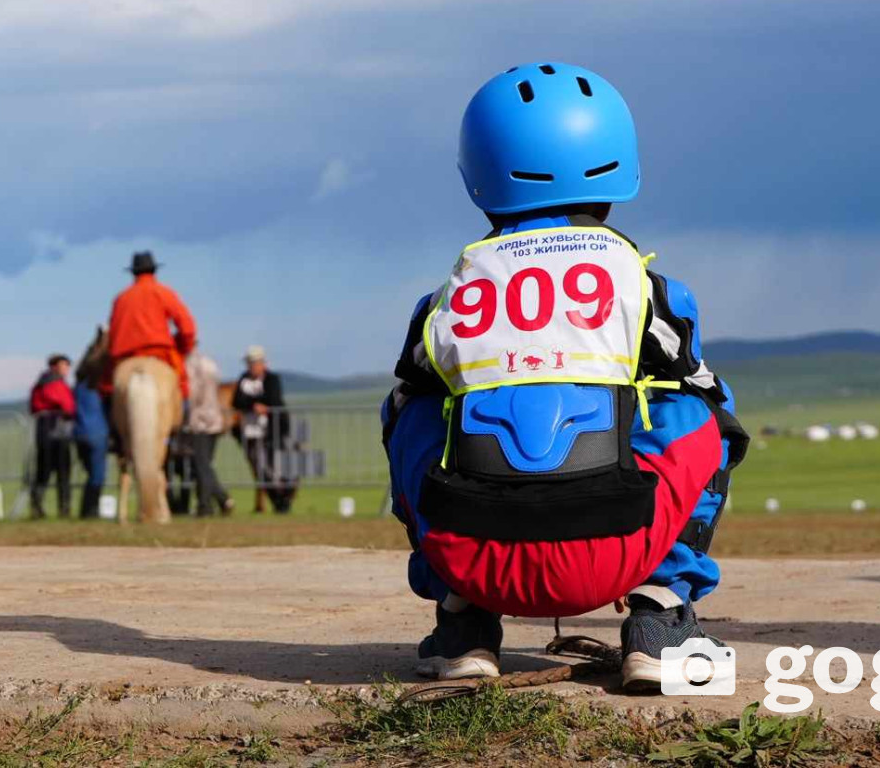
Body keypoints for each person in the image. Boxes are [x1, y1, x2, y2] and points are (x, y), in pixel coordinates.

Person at [382, 62, 747, 689]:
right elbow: (704, 395)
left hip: (477, 560)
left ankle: (462, 627)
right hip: (614, 550)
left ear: (479, 172)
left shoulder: (447, 299)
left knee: (409, 411)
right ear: (618, 168)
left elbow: (410, 402)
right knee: (703, 411)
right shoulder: (645, 287)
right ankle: (662, 619)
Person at [107, 251, 197, 403]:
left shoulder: (120, 299)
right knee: (181, 391)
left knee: (108, 393)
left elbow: (112, 336)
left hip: (125, 359)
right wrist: (183, 348)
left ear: (133, 273)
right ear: (154, 270)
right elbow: (188, 329)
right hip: (160, 355)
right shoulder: (164, 292)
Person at [231, 346, 297, 514]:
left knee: (276, 467)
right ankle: (277, 500)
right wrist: (254, 404)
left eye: (255, 362)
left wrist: (259, 404)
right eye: (250, 363)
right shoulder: (243, 379)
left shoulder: (272, 379)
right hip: (251, 432)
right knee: (260, 467)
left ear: (263, 363)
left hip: (273, 431)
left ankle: (283, 499)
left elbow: (274, 399)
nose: (252, 366)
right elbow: (237, 401)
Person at [185, 349, 234, 517]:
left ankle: (208, 504)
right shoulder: (209, 363)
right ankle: (220, 500)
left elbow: (193, 394)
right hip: (214, 419)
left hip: (200, 420)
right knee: (205, 464)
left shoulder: (190, 366)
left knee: (201, 465)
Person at [29, 354, 77, 518]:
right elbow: (65, 404)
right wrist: (68, 411)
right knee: (50, 470)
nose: (66, 369)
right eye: (63, 365)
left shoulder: (46, 383)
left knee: (54, 471)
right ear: (54, 366)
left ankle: (59, 508)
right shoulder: (51, 383)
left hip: (53, 430)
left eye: (67, 365)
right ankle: (52, 508)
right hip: (53, 429)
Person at [71, 350, 111, 519]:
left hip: (79, 434)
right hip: (97, 433)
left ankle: (87, 509)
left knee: (91, 473)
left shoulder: (77, 388)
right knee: (98, 474)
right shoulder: (98, 389)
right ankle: (90, 510)